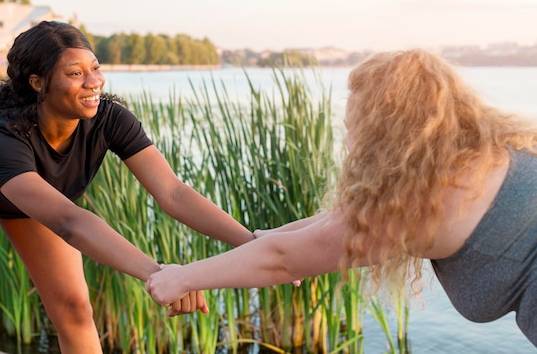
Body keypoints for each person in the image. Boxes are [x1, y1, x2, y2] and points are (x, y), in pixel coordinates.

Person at [146, 49, 537, 347]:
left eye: (353, 129)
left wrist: (181, 278)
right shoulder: (479, 159)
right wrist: (265, 236)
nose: (349, 143)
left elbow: (283, 261)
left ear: (387, 131)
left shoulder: (418, 201)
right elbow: (334, 222)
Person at [0, 20, 256, 354]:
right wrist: (159, 276)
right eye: (75, 74)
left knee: (76, 309)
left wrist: (253, 244)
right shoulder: (1, 140)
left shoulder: (110, 119)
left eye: (95, 68)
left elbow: (173, 193)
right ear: (38, 83)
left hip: (36, 199)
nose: (93, 82)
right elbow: (70, 222)